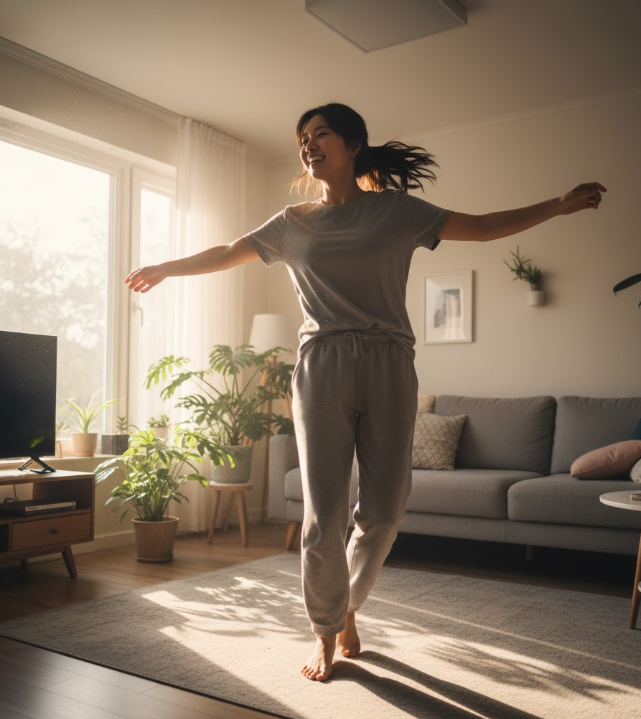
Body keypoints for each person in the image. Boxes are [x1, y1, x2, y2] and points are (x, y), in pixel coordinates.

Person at [125, 102, 606, 682]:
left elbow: (478, 227)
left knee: (383, 511)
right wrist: (165, 268)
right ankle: (326, 632)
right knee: (323, 515)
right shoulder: (291, 223)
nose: (308, 144)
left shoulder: (397, 213)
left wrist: (557, 205)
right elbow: (228, 252)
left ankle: (347, 603)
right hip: (321, 364)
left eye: (319, 133)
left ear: (352, 144)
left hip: (388, 363)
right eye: (303, 138)